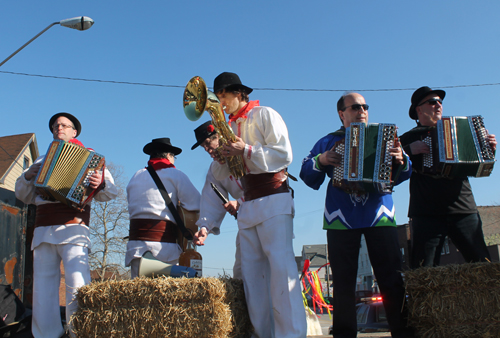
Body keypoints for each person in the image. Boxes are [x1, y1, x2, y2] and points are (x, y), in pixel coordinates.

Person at [300, 92, 414, 338]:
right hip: (341, 216)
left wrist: (401, 159)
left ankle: (402, 332)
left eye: (365, 107)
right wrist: (321, 160)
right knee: (342, 283)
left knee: (392, 279)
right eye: (355, 107)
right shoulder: (328, 141)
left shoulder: (385, 137)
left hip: (380, 213)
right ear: (342, 114)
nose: (361, 111)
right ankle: (343, 334)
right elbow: (307, 174)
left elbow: (405, 173)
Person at [210, 72, 306, 338]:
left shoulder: (265, 114)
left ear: (239, 93)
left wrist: (246, 150)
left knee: (281, 272)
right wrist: (222, 157)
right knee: (254, 280)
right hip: (249, 204)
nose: (221, 103)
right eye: (217, 98)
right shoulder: (228, 126)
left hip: (274, 198)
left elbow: (284, 154)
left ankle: (291, 335)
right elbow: (221, 176)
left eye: (223, 96)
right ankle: (264, 334)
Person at [15, 112, 118, 338]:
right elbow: (23, 195)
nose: (58, 128)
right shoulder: (41, 161)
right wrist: (26, 176)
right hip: (43, 229)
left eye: (63, 125)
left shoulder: (90, 158)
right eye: (55, 126)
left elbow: (112, 191)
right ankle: (46, 334)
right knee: (43, 288)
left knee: (77, 284)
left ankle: (79, 332)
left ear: (74, 131)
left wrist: (99, 183)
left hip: (74, 228)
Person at [400, 86, 497, 268]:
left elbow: (479, 165)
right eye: (432, 102)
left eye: (440, 102)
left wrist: (487, 149)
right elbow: (388, 169)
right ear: (418, 109)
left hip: (462, 207)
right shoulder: (406, 139)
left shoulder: (458, 130)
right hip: (426, 211)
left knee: (482, 264)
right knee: (424, 268)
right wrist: (408, 151)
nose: (438, 105)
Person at [125, 138, 200, 278]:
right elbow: (196, 204)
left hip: (136, 248)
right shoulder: (176, 175)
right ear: (168, 156)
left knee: (139, 296)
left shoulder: (135, 176)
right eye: (174, 157)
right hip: (164, 248)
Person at [190, 121, 244, 279]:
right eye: (204, 147)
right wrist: (205, 227)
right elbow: (211, 200)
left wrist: (239, 202)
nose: (207, 150)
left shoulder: (244, 150)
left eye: (208, 143)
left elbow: (266, 181)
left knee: (274, 268)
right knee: (241, 272)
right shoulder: (215, 169)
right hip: (246, 220)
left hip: (270, 213)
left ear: (220, 135)